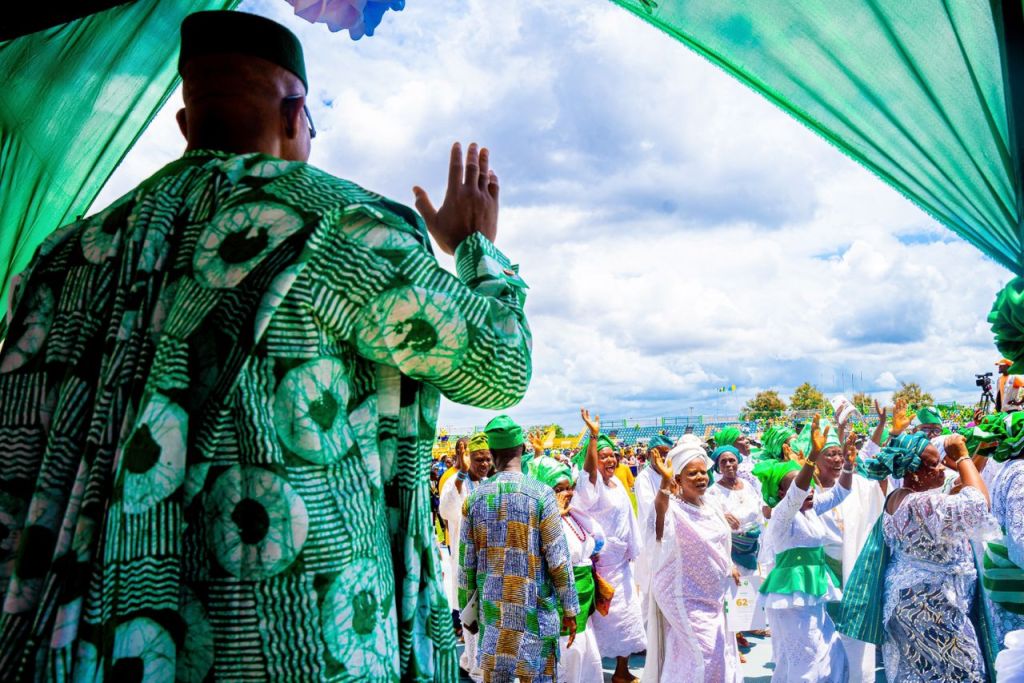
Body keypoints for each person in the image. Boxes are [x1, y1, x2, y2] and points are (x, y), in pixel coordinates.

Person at [0, 11, 534, 681]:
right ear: (294, 116)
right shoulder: (341, 228)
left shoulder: (62, 259)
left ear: (186, 125)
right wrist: (477, 249)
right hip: (302, 651)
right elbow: (501, 364)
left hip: (75, 647)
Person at [857, 430, 997, 682]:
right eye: (934, 464)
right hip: (929, 604)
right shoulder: (919, 503)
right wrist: (962, 456)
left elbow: (958, 489)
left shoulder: (901, 497)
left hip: (913, 600)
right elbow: (978, 506)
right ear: (914, 473)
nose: (943, 468)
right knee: (964, 672)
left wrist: (981, 453)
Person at [459, 416, 579, 683]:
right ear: (523, 449)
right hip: (534, 617)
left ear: (492, 453)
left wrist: (467, 611)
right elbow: (558, 559)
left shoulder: (474, 499)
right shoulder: (541, 494)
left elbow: (466, 565)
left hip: (494, 617)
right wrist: (570, 608)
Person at [754, 415, 851, 682]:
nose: (809, 491)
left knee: (832, 653)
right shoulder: (782, 515)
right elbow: (796, 494)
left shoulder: (810, 510)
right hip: (792, 596)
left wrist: (849, 465)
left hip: (813, 592)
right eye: (802, 487)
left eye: (809, 487)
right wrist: (812, 457)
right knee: (806, 660)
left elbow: (841, 493)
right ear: (782, 494)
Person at [643, 438, 741, 682]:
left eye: (703, 472)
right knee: (706, 654)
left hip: (713, 593)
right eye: (692, 473)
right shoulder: (672, 508)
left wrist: (729, 564)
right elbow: (657, 525)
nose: (700, 477)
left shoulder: (710, 505)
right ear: (677, 479)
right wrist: (664, 485)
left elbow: (721, 541)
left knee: (697, 652)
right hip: (682, 594)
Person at [575, 408, 645, 683]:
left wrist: (631, 548)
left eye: (612, 455)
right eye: (603, 456)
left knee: (627, 615)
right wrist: (593, 437)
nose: (609, 460)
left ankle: (621, 672)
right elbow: (589, 473)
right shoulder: (592, 486)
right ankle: (591, 670)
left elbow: (627, 517)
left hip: (621, 562)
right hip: (600, 564)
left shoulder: (616, 482)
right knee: (600, 619)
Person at [526, 456, 606, 683]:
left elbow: (596, 542)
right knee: (567, 661)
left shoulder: (572, 514)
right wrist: (554, 518)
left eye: (568, 488)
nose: (566, 494)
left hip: (583, 603)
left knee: (586, 660)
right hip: (561, 607)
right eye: (558, 489)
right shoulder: (537, 521)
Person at [440, 432, 491, 680]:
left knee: (486, 614)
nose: (484, 464)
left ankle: (471, 660)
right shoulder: (454, 481)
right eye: (478, 459)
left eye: (487, 459)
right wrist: (461, 474)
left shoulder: (489, 483)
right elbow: (446, 510)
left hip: (488, 560)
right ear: (468, 457)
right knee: (471, 613)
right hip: (466, 560)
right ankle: (475, 664)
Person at [976, 412, 1024, 670]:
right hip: (1015, 583)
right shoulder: (1021, 474)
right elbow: (1020, 542)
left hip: (1006, 576)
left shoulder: (1011, 468)